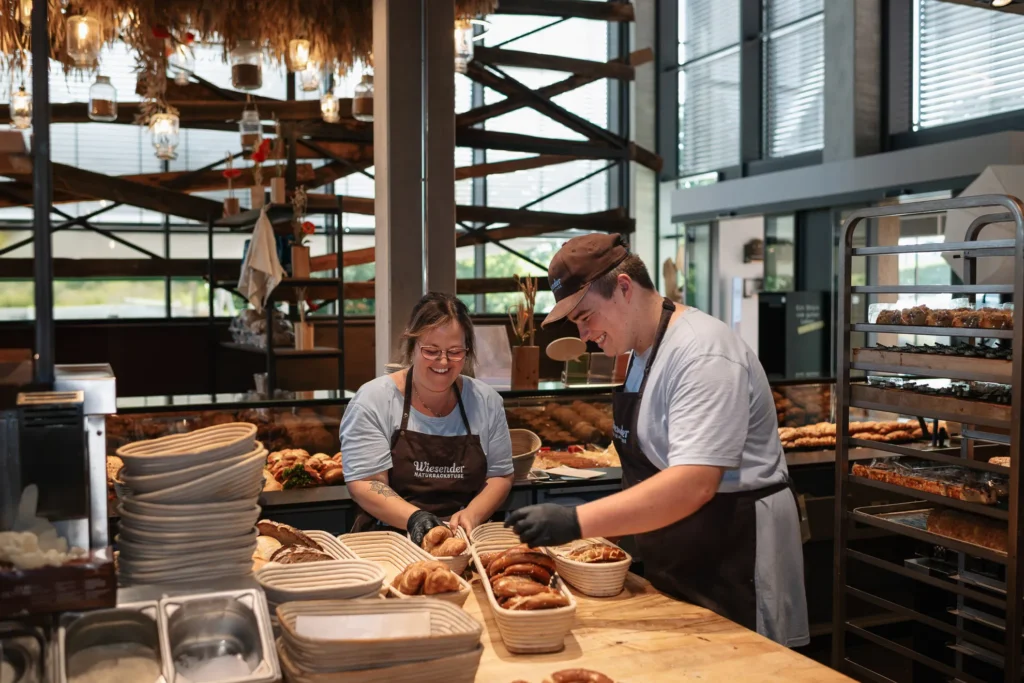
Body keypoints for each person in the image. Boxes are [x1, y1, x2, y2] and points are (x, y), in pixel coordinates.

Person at [506, 234, 809, 648]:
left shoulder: (702, 353)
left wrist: (576, 522)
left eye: (586, 316)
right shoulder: (641, 352)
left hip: (736, 550)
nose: (585, 333)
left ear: (625, 288)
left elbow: (694, 482)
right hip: (685, 546)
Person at [340, 292, 514, 544]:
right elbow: (366, 482)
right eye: (431, 351)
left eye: (455, 352)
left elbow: (500, 474)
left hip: (465, 542)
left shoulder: (486, 401)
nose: (443, 361)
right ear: (412, 346)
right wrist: (415, 518)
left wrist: (473, 515)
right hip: (390, 540)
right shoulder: (373, 400)